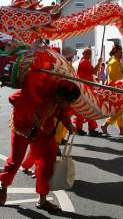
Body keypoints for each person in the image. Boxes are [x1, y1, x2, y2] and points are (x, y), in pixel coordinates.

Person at [0, 80, 80, 211]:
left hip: (43, 129)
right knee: (15, 161)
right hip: (22, 128)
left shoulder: (61, 101)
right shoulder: (38, 91)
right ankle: (3, 187)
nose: (69, 105)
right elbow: (13, 98)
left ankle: (42, 200)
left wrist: (67, 123)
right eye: (68, 102)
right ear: (59, 96)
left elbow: (61, 111)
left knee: (48, 162)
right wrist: (31, 113)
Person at [101, 45, 123, 136]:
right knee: (120, 110)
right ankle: (105, 124)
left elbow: (122, 73)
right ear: (115, 52)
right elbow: (113, 77)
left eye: (121, 51)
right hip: (116, 89)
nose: (121, 53)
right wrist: (120, 83)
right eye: (119, 52)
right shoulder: (114, 62)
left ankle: (121, 129)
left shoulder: (117, 62)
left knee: (119, 109)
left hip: (119, 88)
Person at [75, 48, 102, 136]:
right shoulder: (84, 62)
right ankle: (88, 129)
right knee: (89, 107)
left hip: (84, 88)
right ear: (86, 54)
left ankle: (84, 128)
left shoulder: (82, 61)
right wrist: (99, 63)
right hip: (85, 88)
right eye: (89, 54)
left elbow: (89, 74)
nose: (90, 56)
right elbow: (94, 71)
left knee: (86, 108)